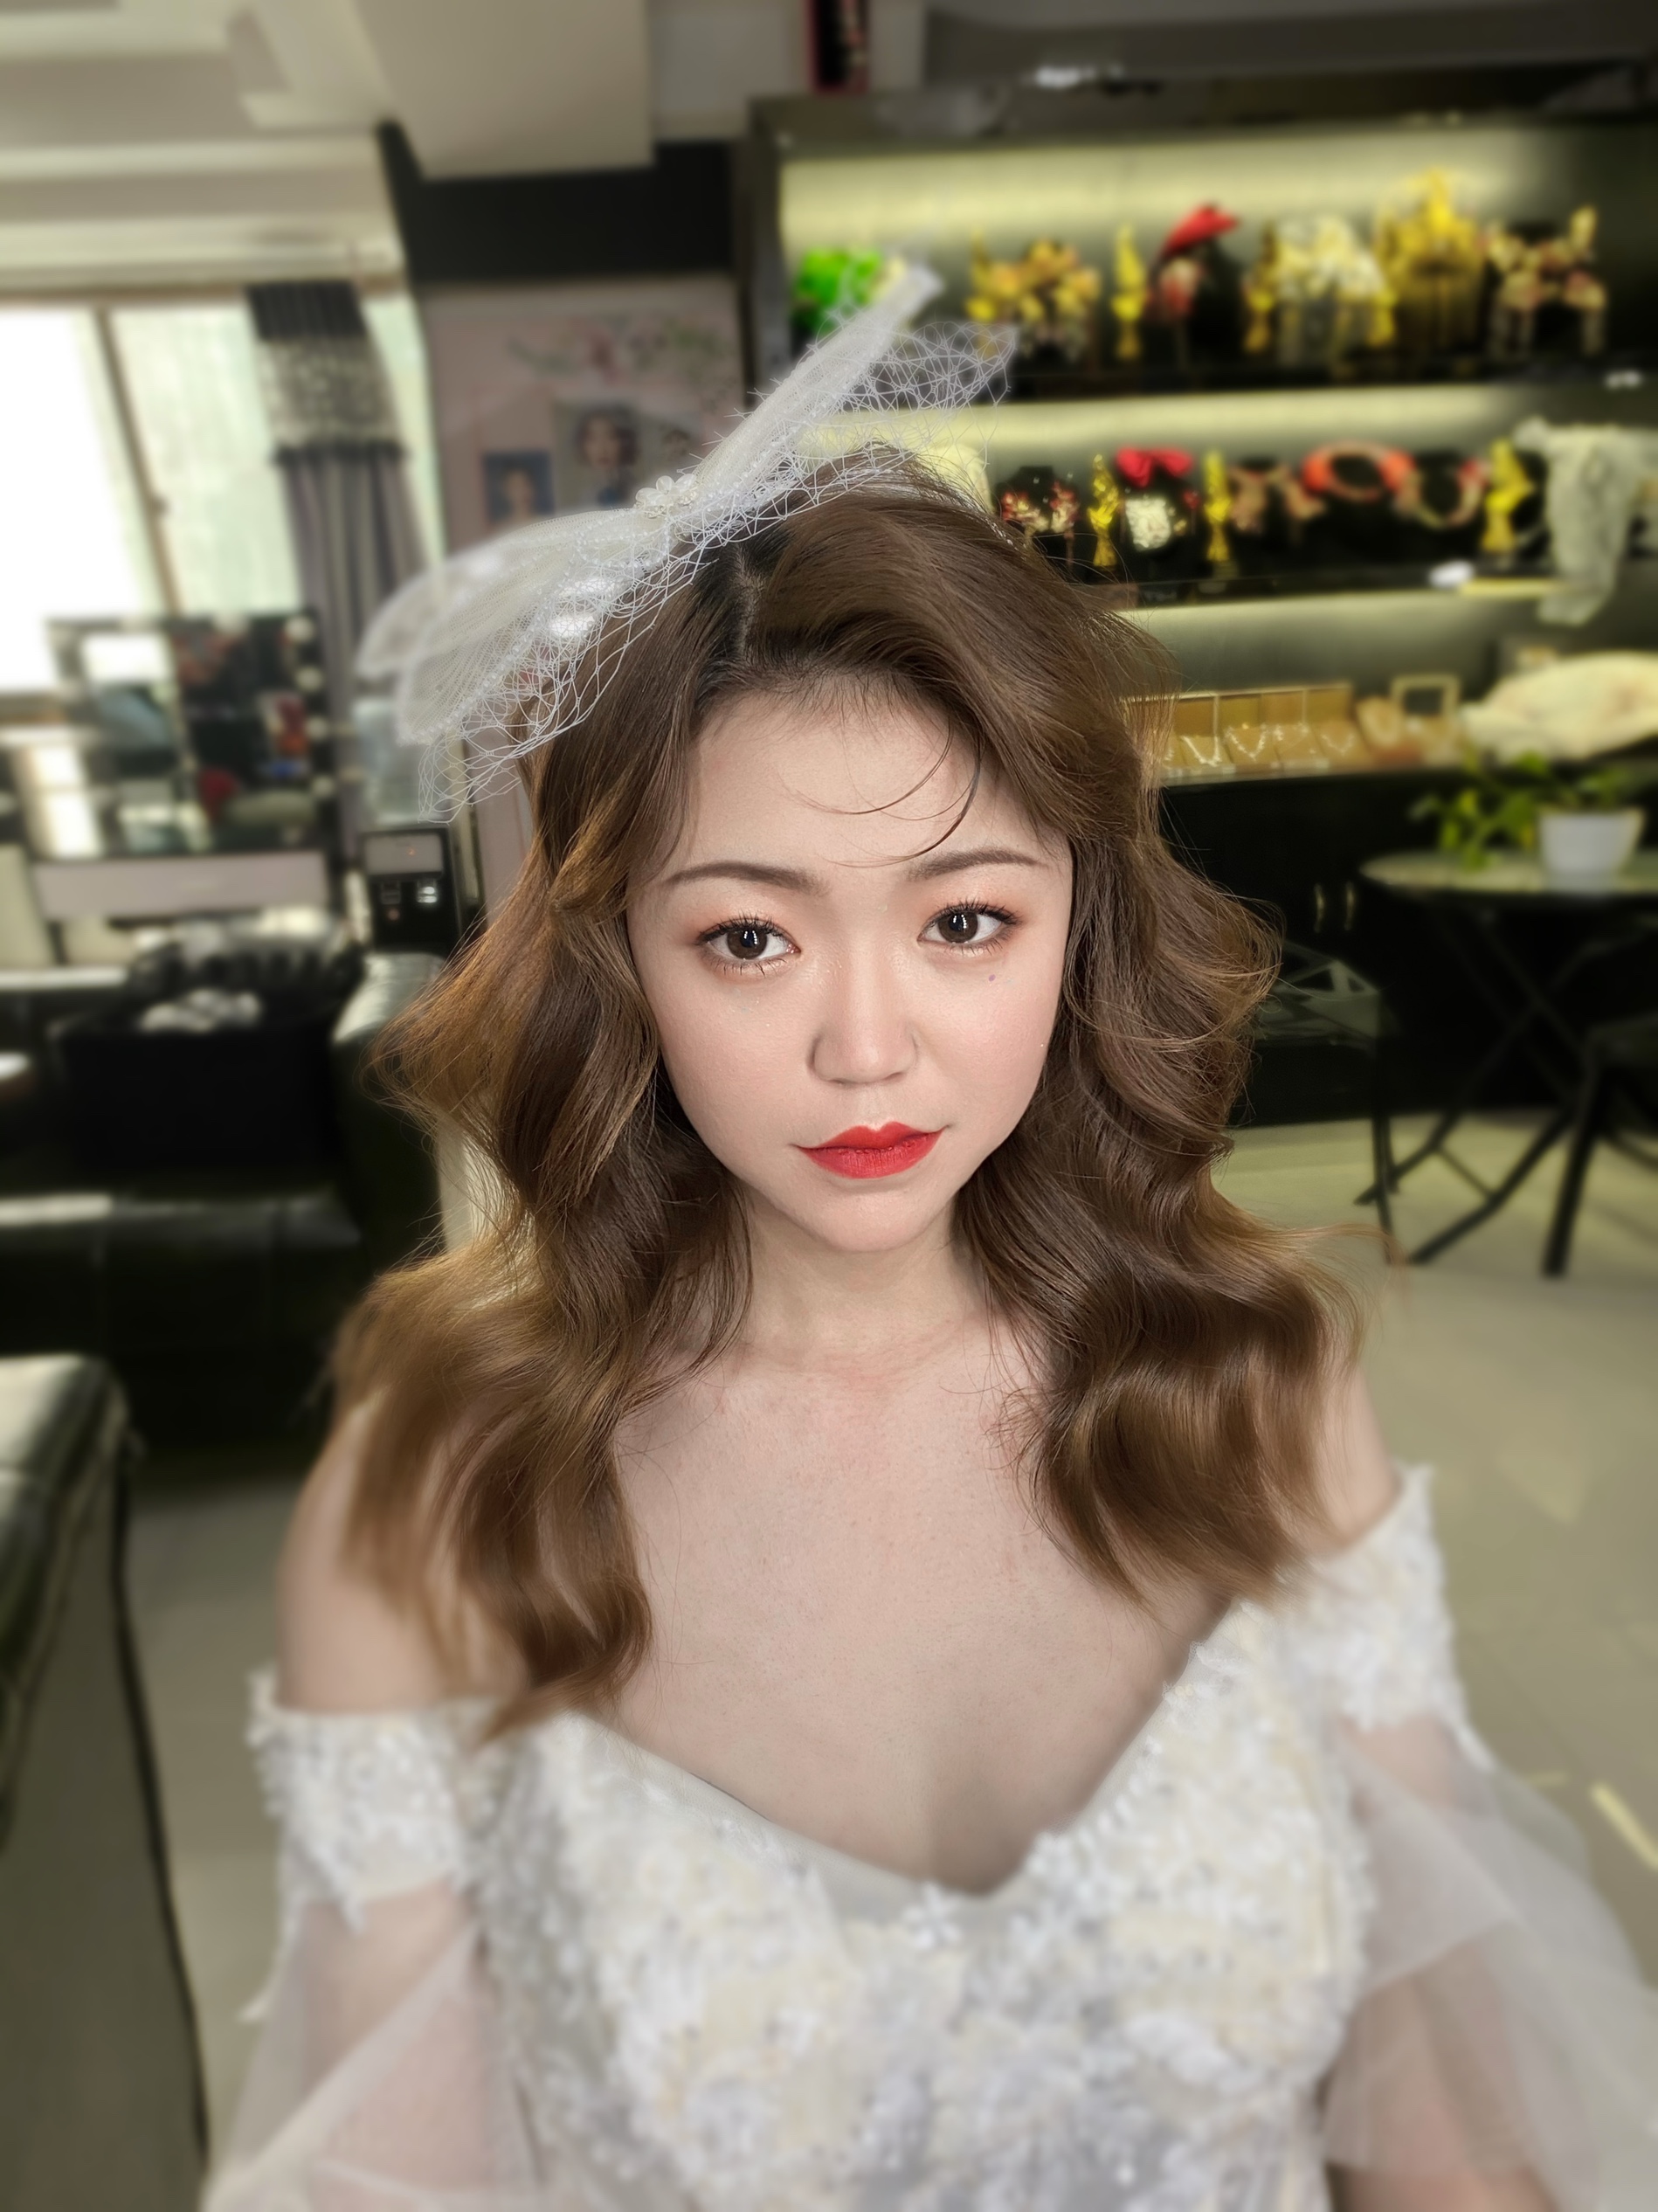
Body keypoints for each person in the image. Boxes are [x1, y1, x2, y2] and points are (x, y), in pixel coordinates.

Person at [210, 283, 1658, 2212]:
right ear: (620, 963)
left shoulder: (1252, 1377)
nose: (866, 1049)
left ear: (1078, 927)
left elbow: (1442, 2110)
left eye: (964, 921)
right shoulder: (443, 1488)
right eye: (749, 937)